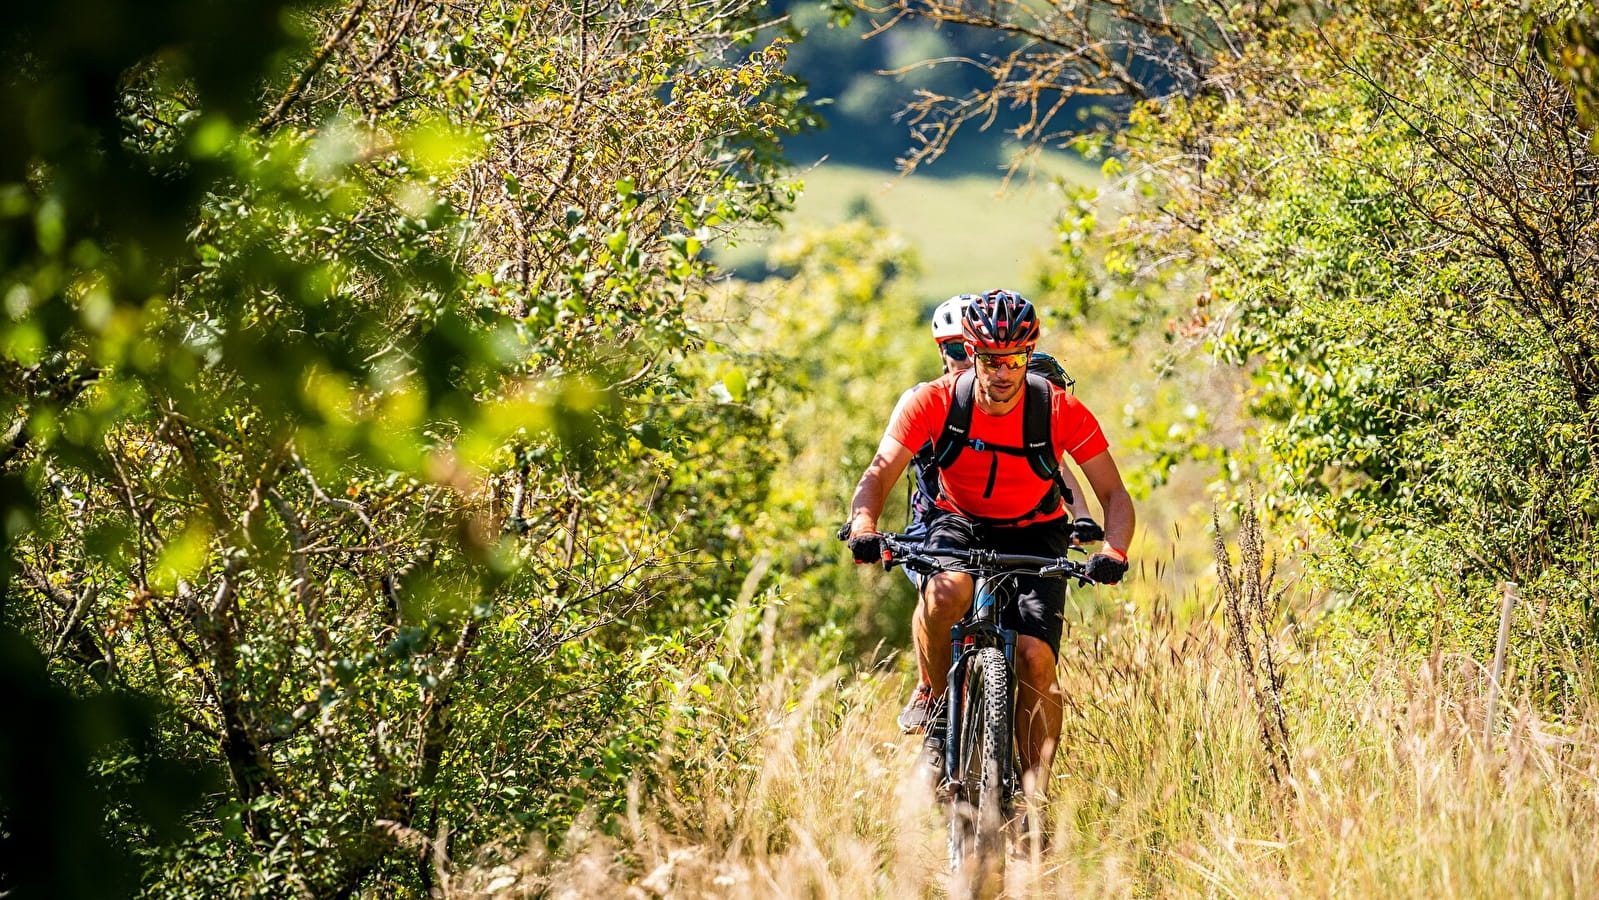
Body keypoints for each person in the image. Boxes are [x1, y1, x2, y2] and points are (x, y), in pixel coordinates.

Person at [844, 288, 1136, 802]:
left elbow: (1114, 494)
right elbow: (879, 473)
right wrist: (864, 524)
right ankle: (937, 704)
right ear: (971, 354)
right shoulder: (933, 401)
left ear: (1030, 355)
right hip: (958, 519)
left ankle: (1034, 798)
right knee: (947, 592)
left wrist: (1113, 552)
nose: (1003, 372)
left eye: (1016, 360)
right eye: (991, 360)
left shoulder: (1058, 409)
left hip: (1036, 529)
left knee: (1035, 658)